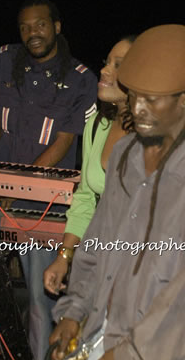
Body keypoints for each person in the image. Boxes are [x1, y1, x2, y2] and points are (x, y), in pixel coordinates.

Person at [49, 24, 185, 360]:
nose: (138, 108)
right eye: (135, 96)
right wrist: (74, 312)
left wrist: (130, 356)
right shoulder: (125, 155)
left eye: (152, 99)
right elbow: (97, 242)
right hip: (98, 337)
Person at [0, 0, 97, 360]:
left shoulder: (81, 78)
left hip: (43, 203)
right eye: (26, 27)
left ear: (57, 27)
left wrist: (17, 188)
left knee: (38, 297)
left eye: (40, 25)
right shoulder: (3, 60)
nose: (33, 33)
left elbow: (63, 142)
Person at [43, 36, 135, 295]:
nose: (105, 70)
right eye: (107, 63)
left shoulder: (157, 137)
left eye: (119, 65)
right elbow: (85, 198)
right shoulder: (98, 124)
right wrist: (64, 257)